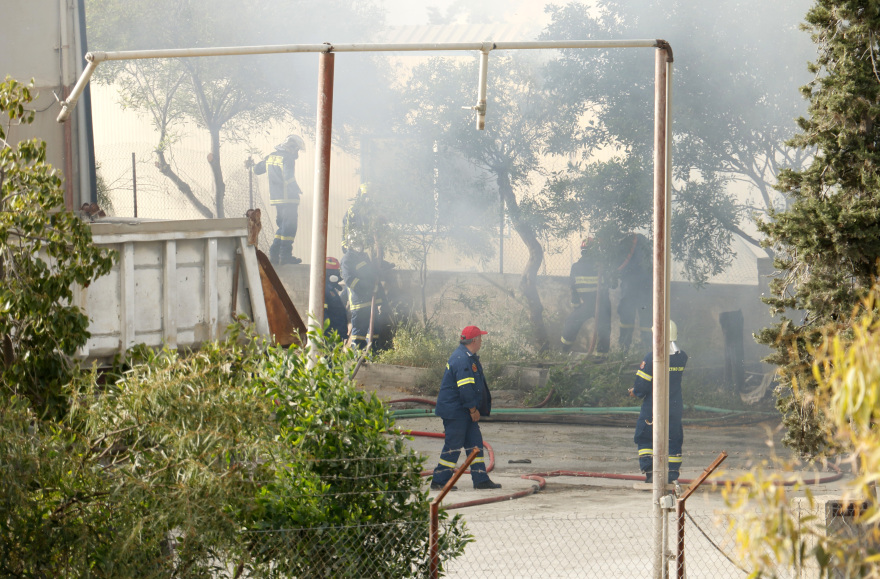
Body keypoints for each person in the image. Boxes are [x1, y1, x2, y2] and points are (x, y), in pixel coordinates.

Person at [430, 326, 502, 491]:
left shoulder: (467, 356)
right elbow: (465, 389)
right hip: (456, 412)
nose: (482, 342)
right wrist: (472, 410)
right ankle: (439, 481)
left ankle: (480, 480)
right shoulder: (462, 359)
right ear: (475, 340)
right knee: (453, 446)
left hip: (462, 410)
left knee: (475, 444)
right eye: (481, 339)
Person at [628, 320, 688, 484]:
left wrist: (635, 392)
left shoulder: (652, 357)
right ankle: (672, 474)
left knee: (645, 436)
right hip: (675, 405)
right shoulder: (682, 357)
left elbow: (642, 385)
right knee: (673, 437)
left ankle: (651, 472)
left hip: (654, 406)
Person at [251, 134, 305, 266]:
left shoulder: (271, 156)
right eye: (297, 149)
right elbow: (288, 176)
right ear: (292, 146)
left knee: (282, 227)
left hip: (276, 199)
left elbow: (257, 169)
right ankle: (285, 256)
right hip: (288, 199)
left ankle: (274, 255)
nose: (297, 152)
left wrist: (251, 165)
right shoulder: (288, 158)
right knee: (290, 228)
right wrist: (296, 189)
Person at [560, 238, 610, 353]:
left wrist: (576, 306)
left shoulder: (578, 267)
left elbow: (573, 290)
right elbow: (610, 285)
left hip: (595, 304)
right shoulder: (600, 266)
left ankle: (564, 351)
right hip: (601, 304)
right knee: (604, 329)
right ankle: (601, 356)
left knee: (572, 322)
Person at [339, 243, 390, 352]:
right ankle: (357, 357)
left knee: (373, 332)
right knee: (359, 334)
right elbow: (349, 280)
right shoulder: (348, 259)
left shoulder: (364, 257)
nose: (360, 245)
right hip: (359, 302)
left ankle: (372, 354)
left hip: (371, 301)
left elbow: (371, 276)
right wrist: (367, 287)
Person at [615, 233, 652, 350]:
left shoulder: (625, 244)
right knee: (646, 318)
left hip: (630, 287)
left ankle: (624, 348)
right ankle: (647, 348)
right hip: (646, 287)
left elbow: (619, 265)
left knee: (626, 315)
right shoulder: (644, 244)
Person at [323, 257, 349, 342]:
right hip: (331, 336)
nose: (338, 275)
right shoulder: (324, 290)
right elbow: (323, 314)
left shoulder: (331, 289)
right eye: (335, 272)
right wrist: (329, 333)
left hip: (337, 334)